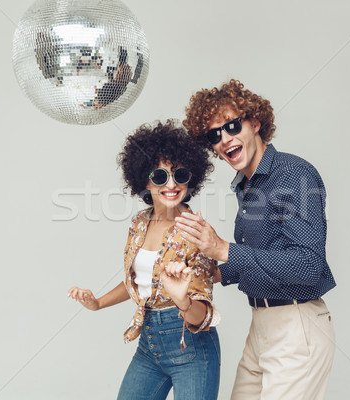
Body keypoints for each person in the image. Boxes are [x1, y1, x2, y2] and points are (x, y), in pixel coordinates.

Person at [177, 79, 336, 399]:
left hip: (297, 325)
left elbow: (308, 265)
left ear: (255, 122)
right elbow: (261, 254)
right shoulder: (246, 185)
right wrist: (208, 271)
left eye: (232, 125)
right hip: (261, 326)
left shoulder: (293, 174)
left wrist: (222, 249)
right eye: (214, 134)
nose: (224, 138)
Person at [68, 120, 220, 400]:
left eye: (180, 174)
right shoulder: (139, 223)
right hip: (149, 345)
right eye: (160, 176)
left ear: (192, 178)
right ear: (144, 180)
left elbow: (202, 316)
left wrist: (183, 300)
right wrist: (98, 302)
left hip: (191, 345)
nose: (172, 184)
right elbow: (138, 282)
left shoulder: (196, 233)